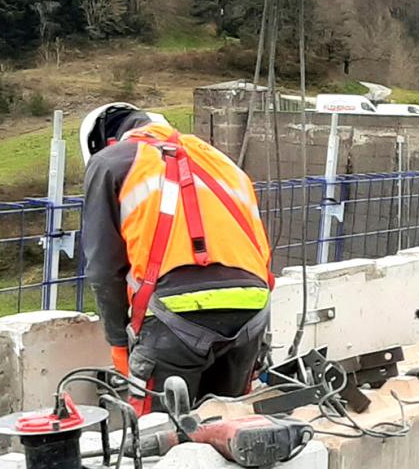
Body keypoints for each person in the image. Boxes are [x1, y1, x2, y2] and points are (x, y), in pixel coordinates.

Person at [80, 102, 274, 411]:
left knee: (160, 438)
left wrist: (119, 346)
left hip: (175, 320)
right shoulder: (221, 162)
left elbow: (104, 270)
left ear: (105, 142)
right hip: (251, 311)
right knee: (227, 428)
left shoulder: (109, 162)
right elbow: (260, 252)